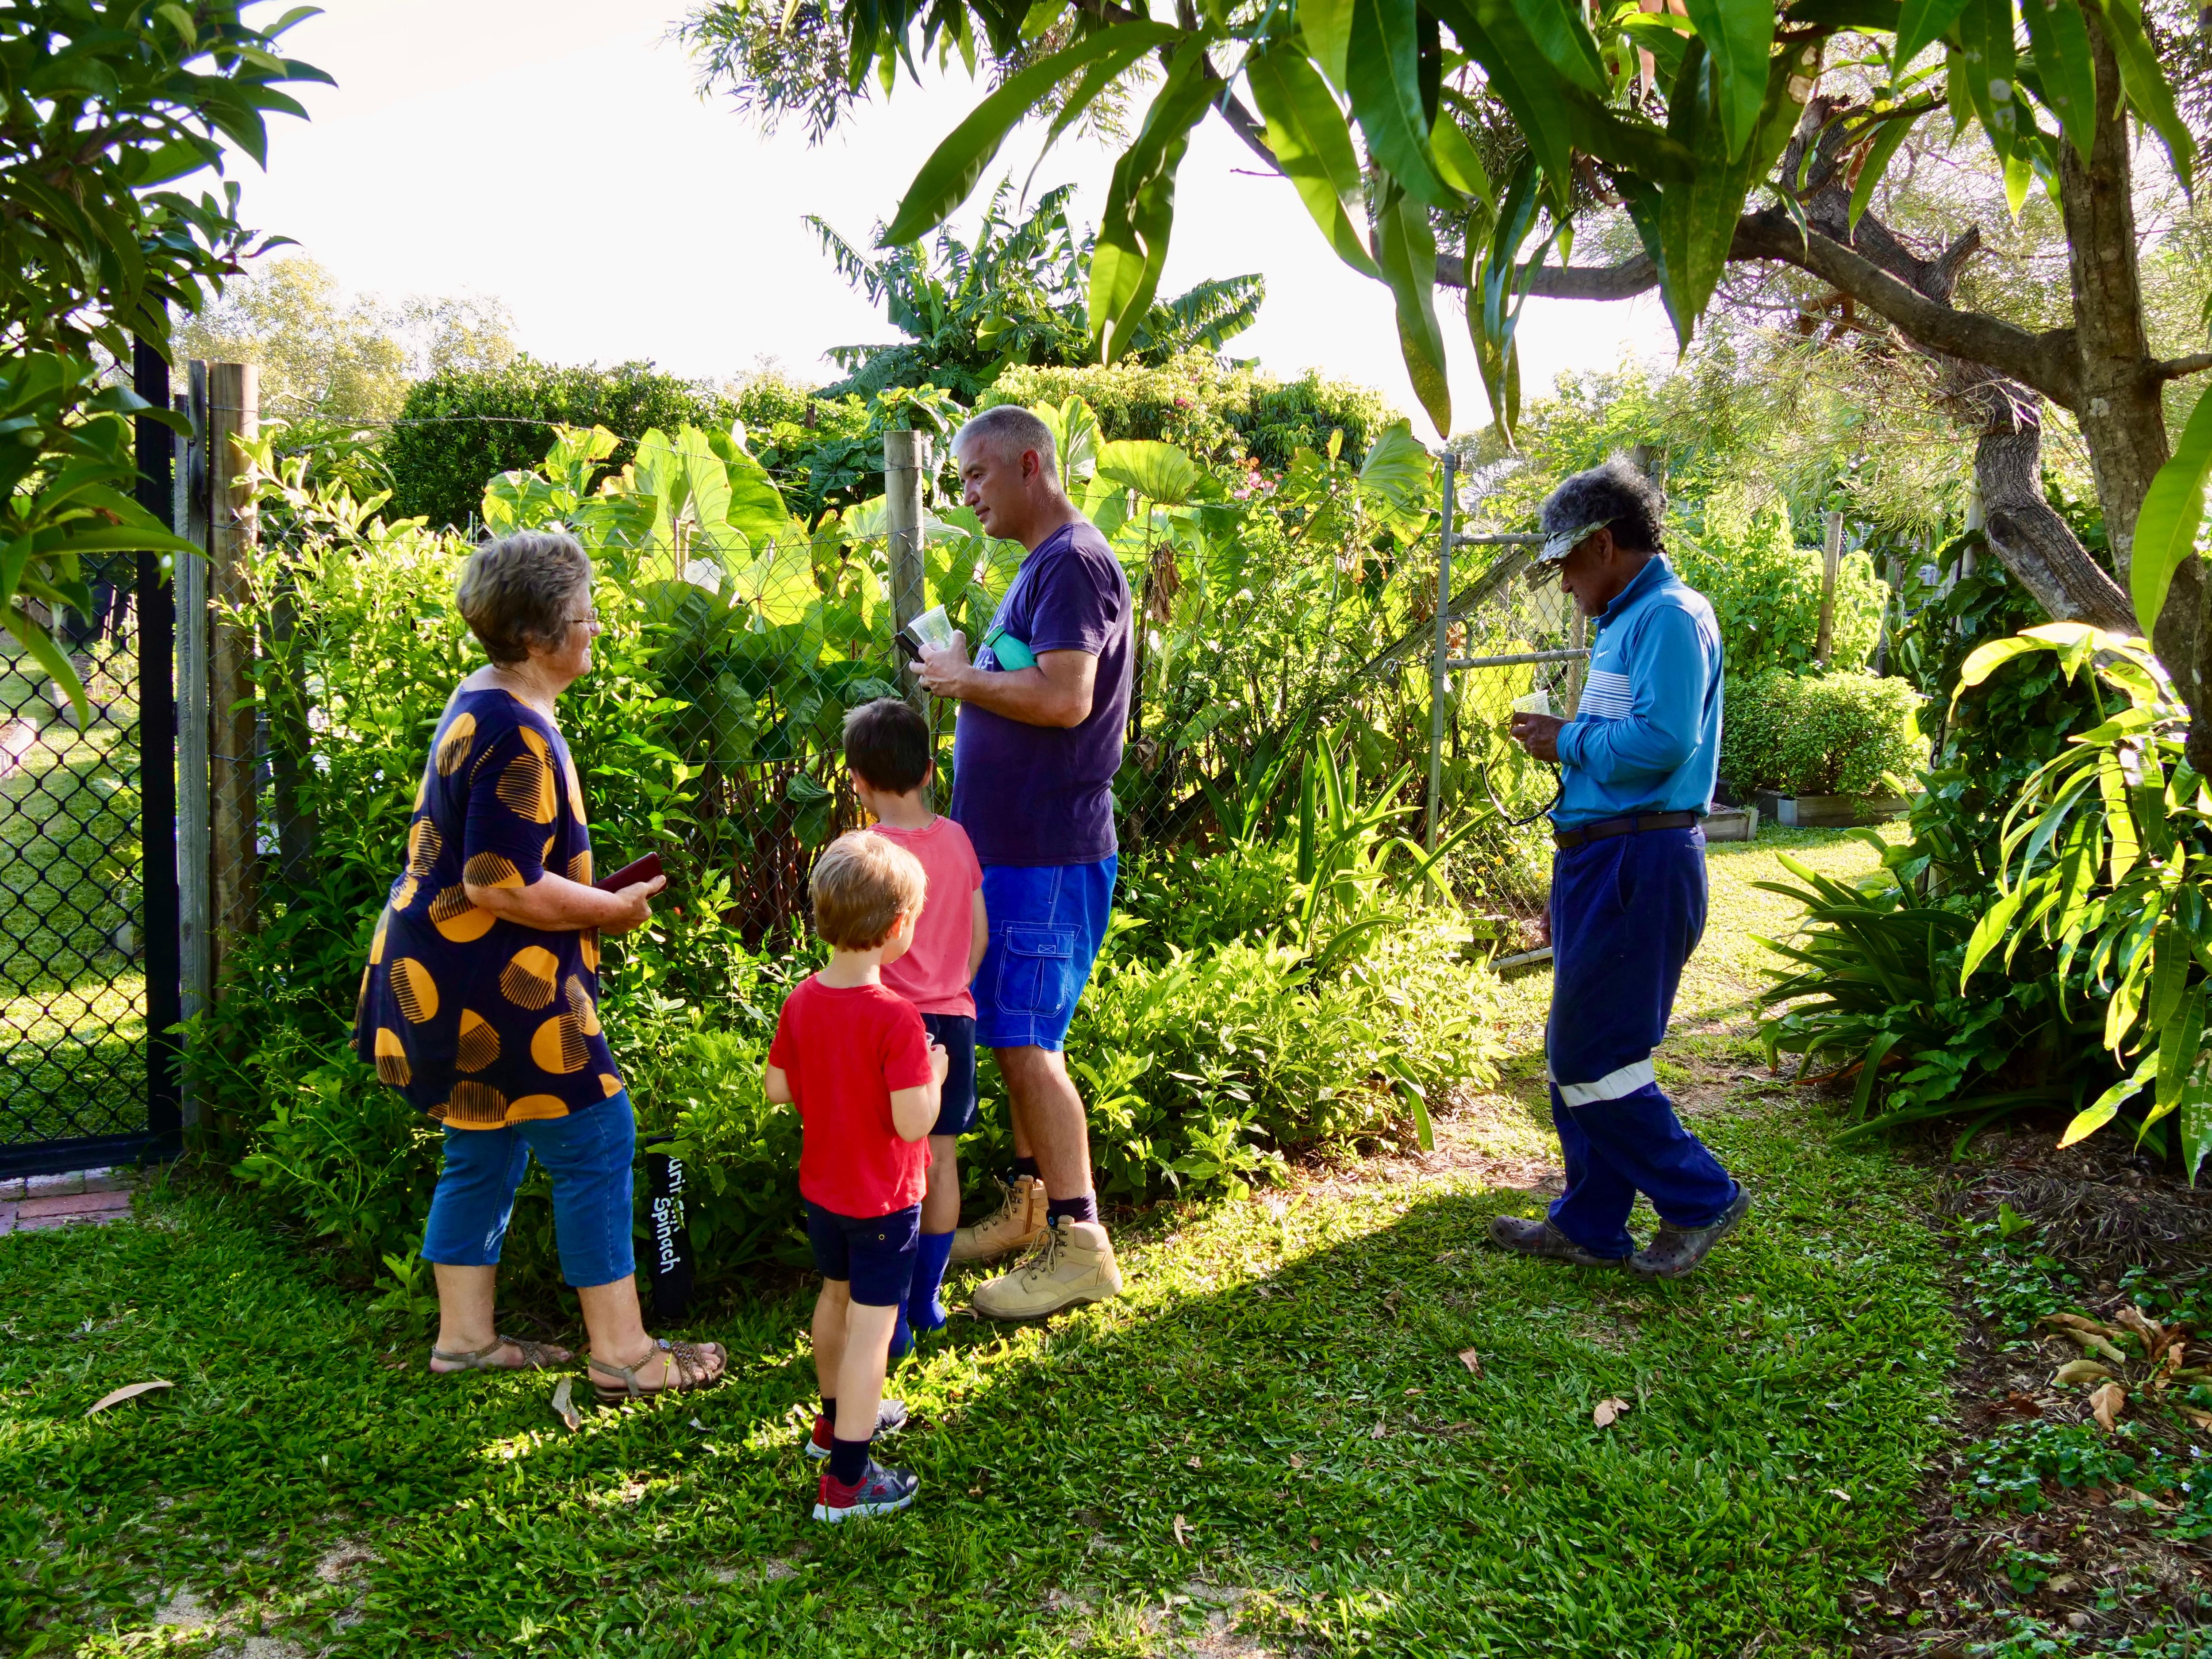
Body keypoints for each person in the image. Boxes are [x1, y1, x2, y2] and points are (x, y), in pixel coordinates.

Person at [353, 529, 727, 1399]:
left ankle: (467, 1341)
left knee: (481, 1146)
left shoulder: (482, 696)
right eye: (580, 615)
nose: (593, 625)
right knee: (599, 1136)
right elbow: (499, 882)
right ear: (537, 637)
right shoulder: (516, 730)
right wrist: (612, 909)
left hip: (447, 970)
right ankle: (624, 1355)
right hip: (495, 978)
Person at [1499, 459, 1751, 1280]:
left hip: (1641, 858)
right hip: (1604, 856)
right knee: (1583, 1047)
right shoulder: (1628, 619)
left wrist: (1563, 739)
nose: (1566, 585)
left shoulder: (1672, 618)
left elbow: (1660, 744)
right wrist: (1566, 740)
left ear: (1605, 544)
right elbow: (1631, 737)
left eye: (1569, 564)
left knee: (1591, 1056)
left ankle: (1701, 1196)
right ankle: (1592, 1222)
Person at [913, 402, 1133, 1320]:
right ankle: (1027, 1210)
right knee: (1008, 1034)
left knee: (1030, 1046)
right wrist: (966, 667)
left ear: (1031, 465)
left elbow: (1066, 698)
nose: (967, 494)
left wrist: (963, 680)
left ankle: (1081, 1246)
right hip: (1012, 850)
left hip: (1046, 851)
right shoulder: (1042, 568)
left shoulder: (1074, 564)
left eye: (976, 475)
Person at [765, 831, 949, 1521]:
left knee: (834, 1300)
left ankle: (832, 1423)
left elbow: (778, 1087)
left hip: (825, 1194)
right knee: (875, 1329)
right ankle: (849, 1480)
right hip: (882, 1202)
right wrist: (932, 1075)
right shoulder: (898, 1019)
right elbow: (910, 1123)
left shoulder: (802, 999)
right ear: (899, 927)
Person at [841, 698, 987, 1354]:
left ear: (857, 782)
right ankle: (927, 1297)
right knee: (942, 1160)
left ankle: (888, 1306)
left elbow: (846, 948)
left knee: (887, 1164)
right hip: (953, 1020)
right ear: (931, 770)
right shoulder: (957, 839)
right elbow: (979, 935)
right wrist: (951, 985)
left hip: (886, 1023)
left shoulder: (863, 851)